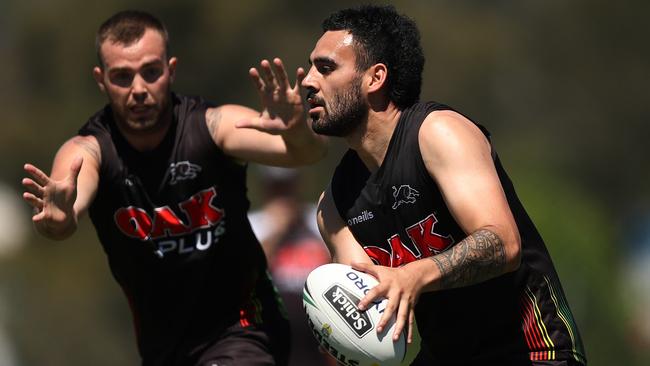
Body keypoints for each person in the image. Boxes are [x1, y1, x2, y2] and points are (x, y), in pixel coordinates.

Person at [21, 10, 327, 366]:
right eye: (122, 77)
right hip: (163, 348)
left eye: (150, 72)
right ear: (101, 80)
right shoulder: (90, 151)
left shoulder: (212, 127)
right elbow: (66, 205)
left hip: (245, 326)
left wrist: (295, 129)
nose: (138, 89)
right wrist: (57, 218)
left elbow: (306, 155)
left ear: (171, 70)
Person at [303, 5, 586, 366]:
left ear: (375, 78)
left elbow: (503, 241)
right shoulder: (334, 205)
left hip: (531, 350)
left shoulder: (438, 133)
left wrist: (413, 275)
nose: (308, 81)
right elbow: (363, 311)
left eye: (325, 68)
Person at [248, 166, 335, 366]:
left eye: (287, 187)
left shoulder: (318, 219)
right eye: (278, 188)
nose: (283, 195)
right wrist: (275, 232)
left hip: (319, 336)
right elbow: (246, 278)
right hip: (271, 335)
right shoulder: (255, 225)